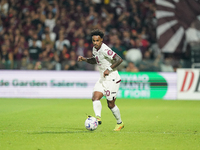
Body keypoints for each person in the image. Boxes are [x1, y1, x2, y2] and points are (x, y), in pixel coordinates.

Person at [77, 29, 124, 131]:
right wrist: (84, 59)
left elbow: (119, 59)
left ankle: (120, 123)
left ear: (101, 40)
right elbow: (95, 60)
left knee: (110, 104)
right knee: (95, 97)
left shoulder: (105, 49)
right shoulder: (95, 49)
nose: (95, 43)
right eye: (94, 41)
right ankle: (98, 118)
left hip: (112, 78)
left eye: (97, 40)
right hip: (103, 78)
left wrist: (109, 69)